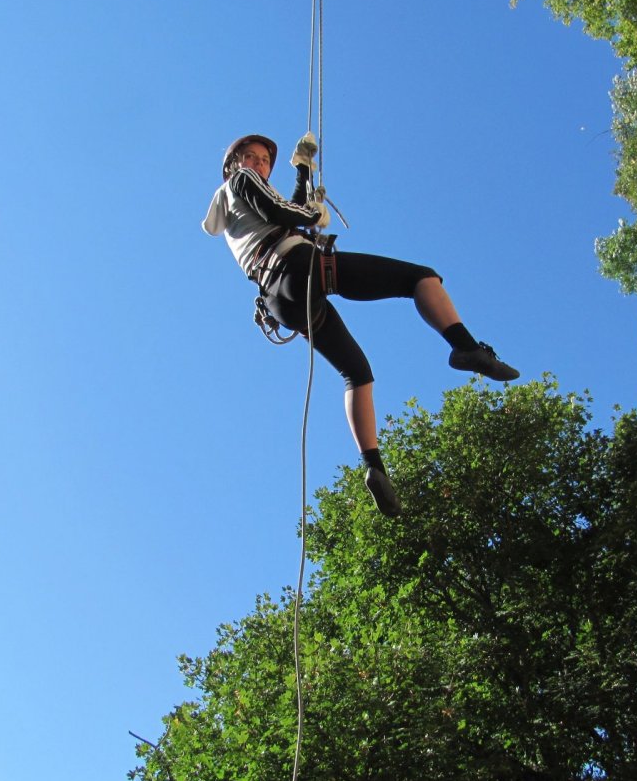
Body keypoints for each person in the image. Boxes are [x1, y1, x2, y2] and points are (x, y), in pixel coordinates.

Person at [202, 132, 519, 517]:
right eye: (250, 157)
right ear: (233, 164)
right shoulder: (241, 181)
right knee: (420, 278)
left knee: (358, 373)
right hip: (298, 269)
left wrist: (302, 172)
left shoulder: (234, 207)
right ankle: (466, 347)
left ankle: (374, 467)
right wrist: (314, 214)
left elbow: (286, 208)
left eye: (264, 160)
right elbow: (286, 215)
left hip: (280, 297)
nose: (258, 164)